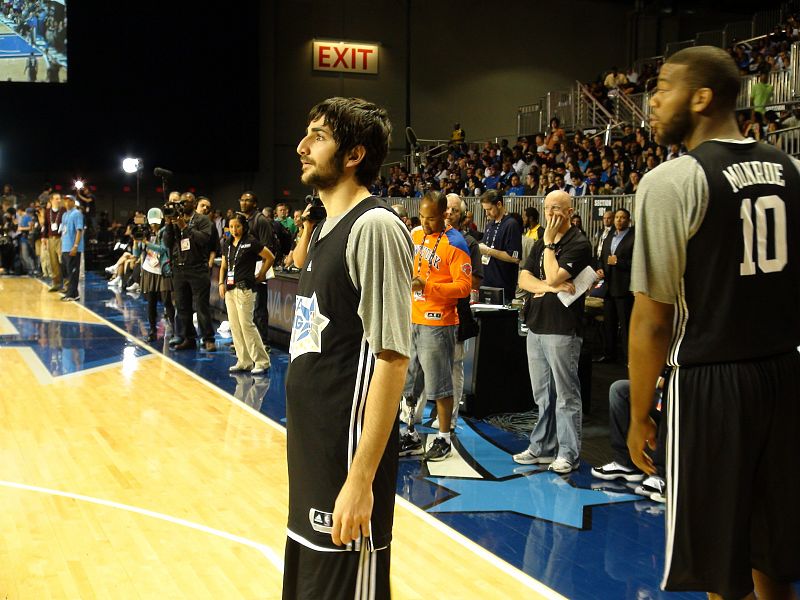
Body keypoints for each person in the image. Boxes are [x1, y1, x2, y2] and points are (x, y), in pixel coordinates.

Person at [627, 46, 800, 599]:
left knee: (721, 569)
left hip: (711, 383)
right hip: (785, 375)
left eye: (662, 88)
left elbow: (653, 320)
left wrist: (637, 413)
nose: (651, 102)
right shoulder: (793, 169)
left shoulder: (672, 181)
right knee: (775, 559)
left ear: (701, 98)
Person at [284, 97, 412, 599]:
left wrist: (361, 481)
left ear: (354, 154)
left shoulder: (374, 227)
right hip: (314, 459)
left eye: (318, 136)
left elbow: (393, 360)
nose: (302, 146)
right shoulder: (324, 231)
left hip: (345, 465)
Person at [514, 191, 592, 474]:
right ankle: (542, 447)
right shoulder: (538, 243)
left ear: (570, 212)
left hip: (562, 328)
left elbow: (553, 275)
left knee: (566, 394)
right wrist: (549, 287)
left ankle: (568, 453)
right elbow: (524, 278)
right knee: (543, 395)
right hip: (536, 324)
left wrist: (548, 251)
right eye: (547, 208)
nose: (550, 214)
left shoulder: (578, 243)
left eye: (556, 209)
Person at [398, 191, 472, 461]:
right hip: (412, 318)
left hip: (439, 322)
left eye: (430, 218)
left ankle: (443, 438)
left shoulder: (456, 243)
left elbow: (464, 287)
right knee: (409, 383)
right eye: (422, 217)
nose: (425, 222)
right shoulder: (416, 235)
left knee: (440, 385)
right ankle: (411, 435)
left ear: (445, 215)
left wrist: (428, 286)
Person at [218, 213, 273, 374]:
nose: (234, 230)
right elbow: (223, 266)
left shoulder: (251, 242)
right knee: (235, 326)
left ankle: (262, 361)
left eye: (238, 226)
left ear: (244, 226)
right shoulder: (227, 243)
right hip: (229, 289)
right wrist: (221, 283)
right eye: (232, 226)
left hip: (245, 289)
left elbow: (270, 257)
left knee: (246, 325)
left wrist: (262, 274)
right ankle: (244, 361)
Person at [163, 193, 216, 351]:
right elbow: (167, 242)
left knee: (201, 306)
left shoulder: (203, 220)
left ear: (194, 204)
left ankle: (208, 338)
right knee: (182, 306)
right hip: (179, 268)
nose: (182, 205)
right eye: (181, 202)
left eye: (186, 202)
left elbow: (203, 240)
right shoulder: (174, 220)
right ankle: (188, 338)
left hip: (197, 268)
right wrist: (169, 224)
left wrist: (184, 227)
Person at [238, 191, 278, 349]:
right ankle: (248, 341)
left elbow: (268, 247)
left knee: (259, 307)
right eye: (242, 200)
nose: (244, 203)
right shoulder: (243, 220)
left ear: (254, 203)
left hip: (259, 268)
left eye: (247, 200)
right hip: (244, 271)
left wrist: (262, 273)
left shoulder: (261, 220)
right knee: (245, 307)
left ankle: (263, 342)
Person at [595, 208, 635, 363]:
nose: (619, 220)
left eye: (623, 217)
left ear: (628, 220)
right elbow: (602, 257)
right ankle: (609, 354)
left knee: (625, 326)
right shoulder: (609, 235)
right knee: (608, 324)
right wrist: (599, 268)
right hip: (608, 287)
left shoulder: (633, 237)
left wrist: (620, 262)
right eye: (617, 217)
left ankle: (629, 358)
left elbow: (638, 262)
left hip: (624, 288)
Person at [133, 208, 175, 342]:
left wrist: (147, 243)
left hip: (162, 270)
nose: (153, 225)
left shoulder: (165, 231)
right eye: (152, 223)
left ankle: (174, 331)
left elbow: (163, 249)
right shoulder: (146, 232)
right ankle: (152, 331)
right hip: (148, 270)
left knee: (167, 301)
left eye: (156, 222)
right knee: (150, 302)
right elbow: (136, 254)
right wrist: (136, 242)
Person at [478, 190, 522, 303]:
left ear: (499, 204)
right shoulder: (489, 225)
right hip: (486, 285)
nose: (487, 214)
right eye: (485, 210)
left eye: (489, 209)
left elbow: (514, 258)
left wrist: (488, 251)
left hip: (503, 288)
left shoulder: (511, 224)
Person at [59, 195, 83, 301]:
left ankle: (72, 294)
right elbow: (63, 231)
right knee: (67, 271)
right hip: (65, 247)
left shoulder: (77, 213)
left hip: (73, 248)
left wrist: (75, 246)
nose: (67, 203)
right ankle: (73, 292)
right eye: (65, 201)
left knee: (73, 271)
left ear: (73, 202)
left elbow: (79, 230)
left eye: (69, 201)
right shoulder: (64, 215)